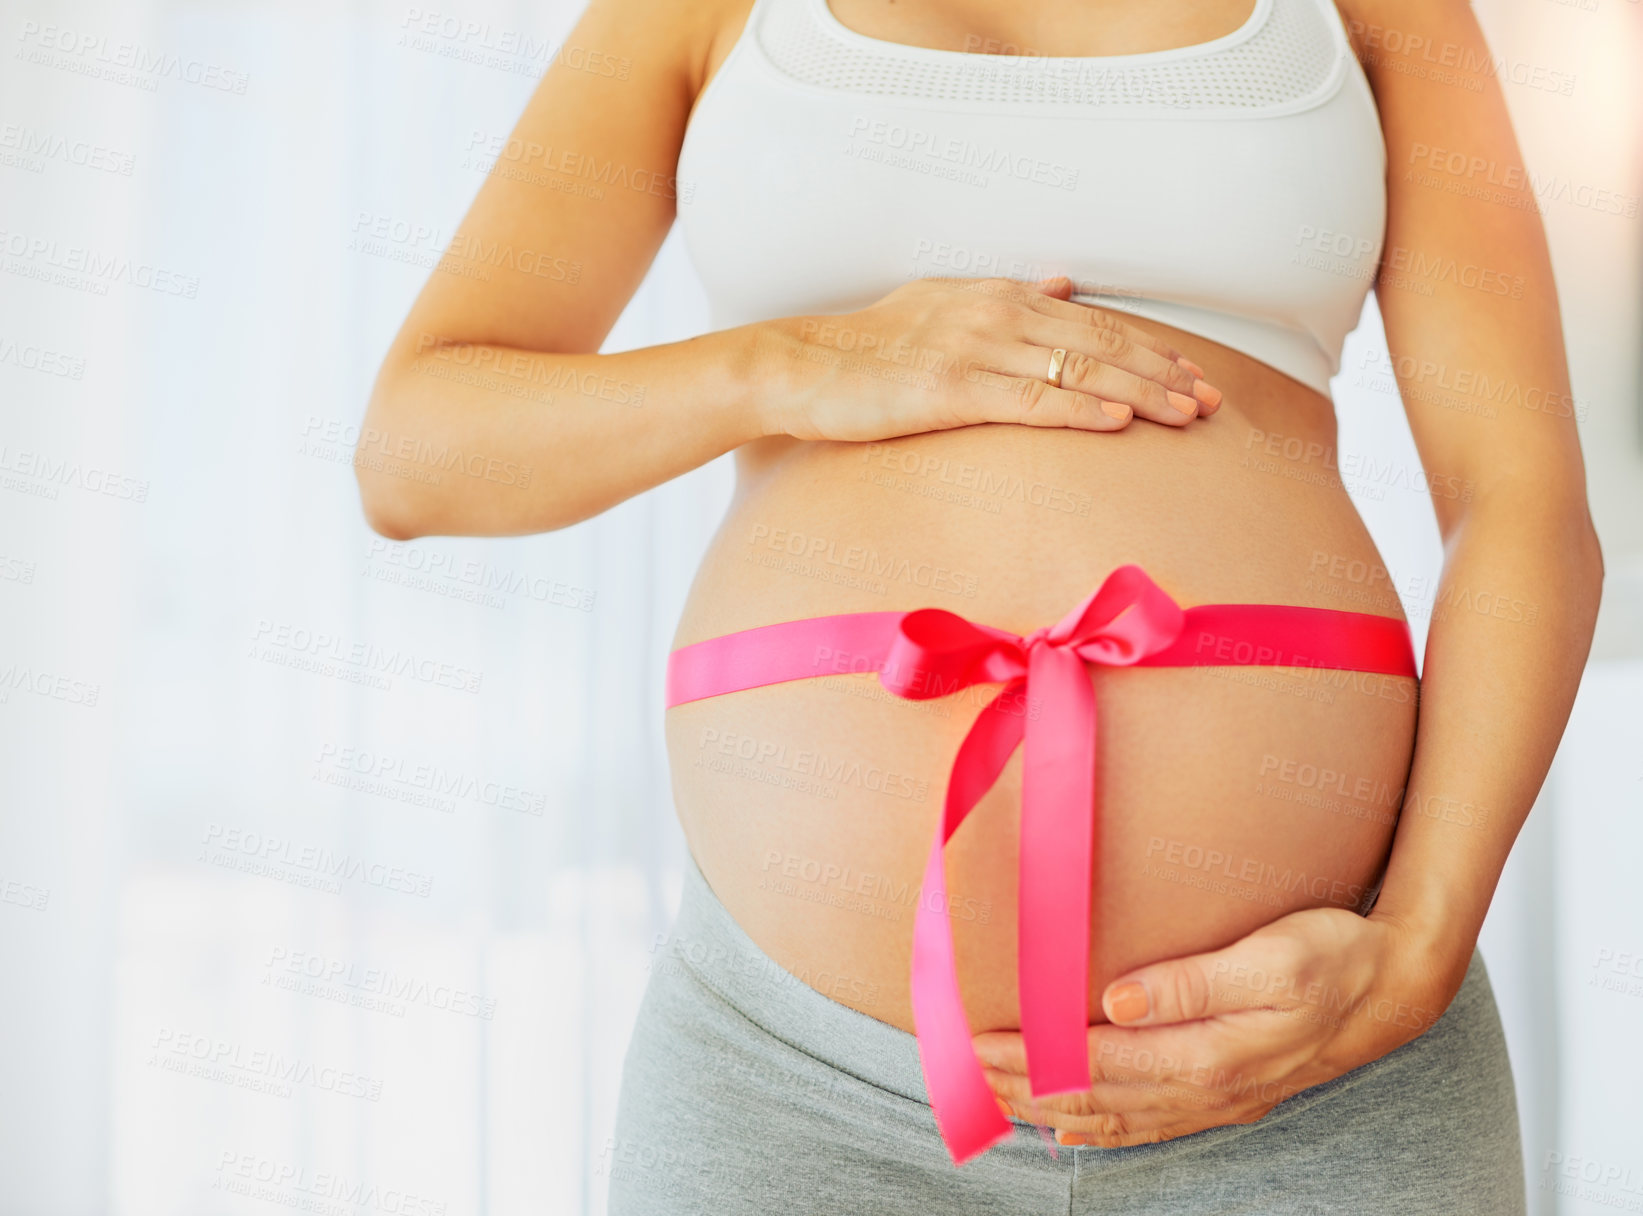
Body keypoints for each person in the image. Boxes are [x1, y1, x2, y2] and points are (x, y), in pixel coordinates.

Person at [354, 0, 1603, 1209]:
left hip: (1314, 1066)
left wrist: (1416, 951)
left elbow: (1520, 499)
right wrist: (796, 363)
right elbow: (417, 451)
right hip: (795, 1089)